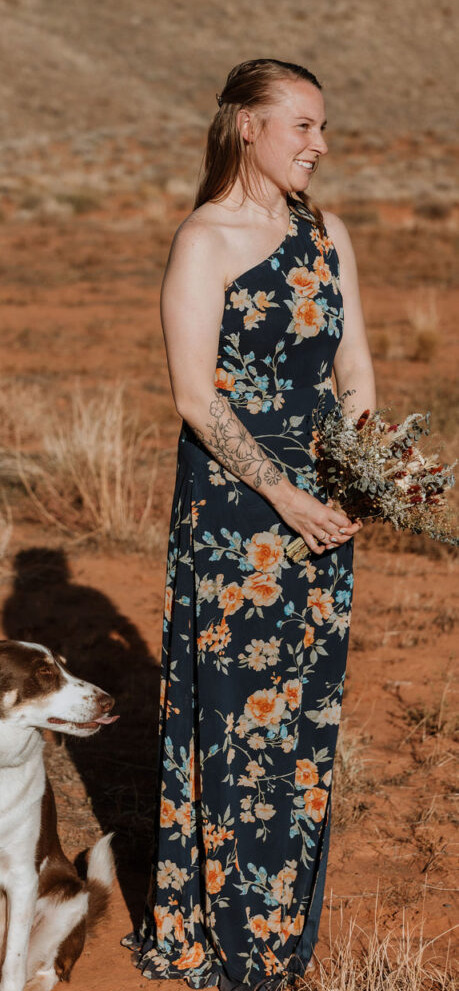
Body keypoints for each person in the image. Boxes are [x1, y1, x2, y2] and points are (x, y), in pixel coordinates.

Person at [123, 60, 375, 990]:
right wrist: (284, 492)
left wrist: (357, 481)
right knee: (232, 719)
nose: (316, 145)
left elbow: (356, 377)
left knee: (304, 718)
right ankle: (221, 938)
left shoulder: (327, 233)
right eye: (300, 126)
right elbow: (196, 397)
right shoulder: (204, 239)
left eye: (321, 129)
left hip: (323, 504)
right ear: (247, 129)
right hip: (237, 511)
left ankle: (276, 927)